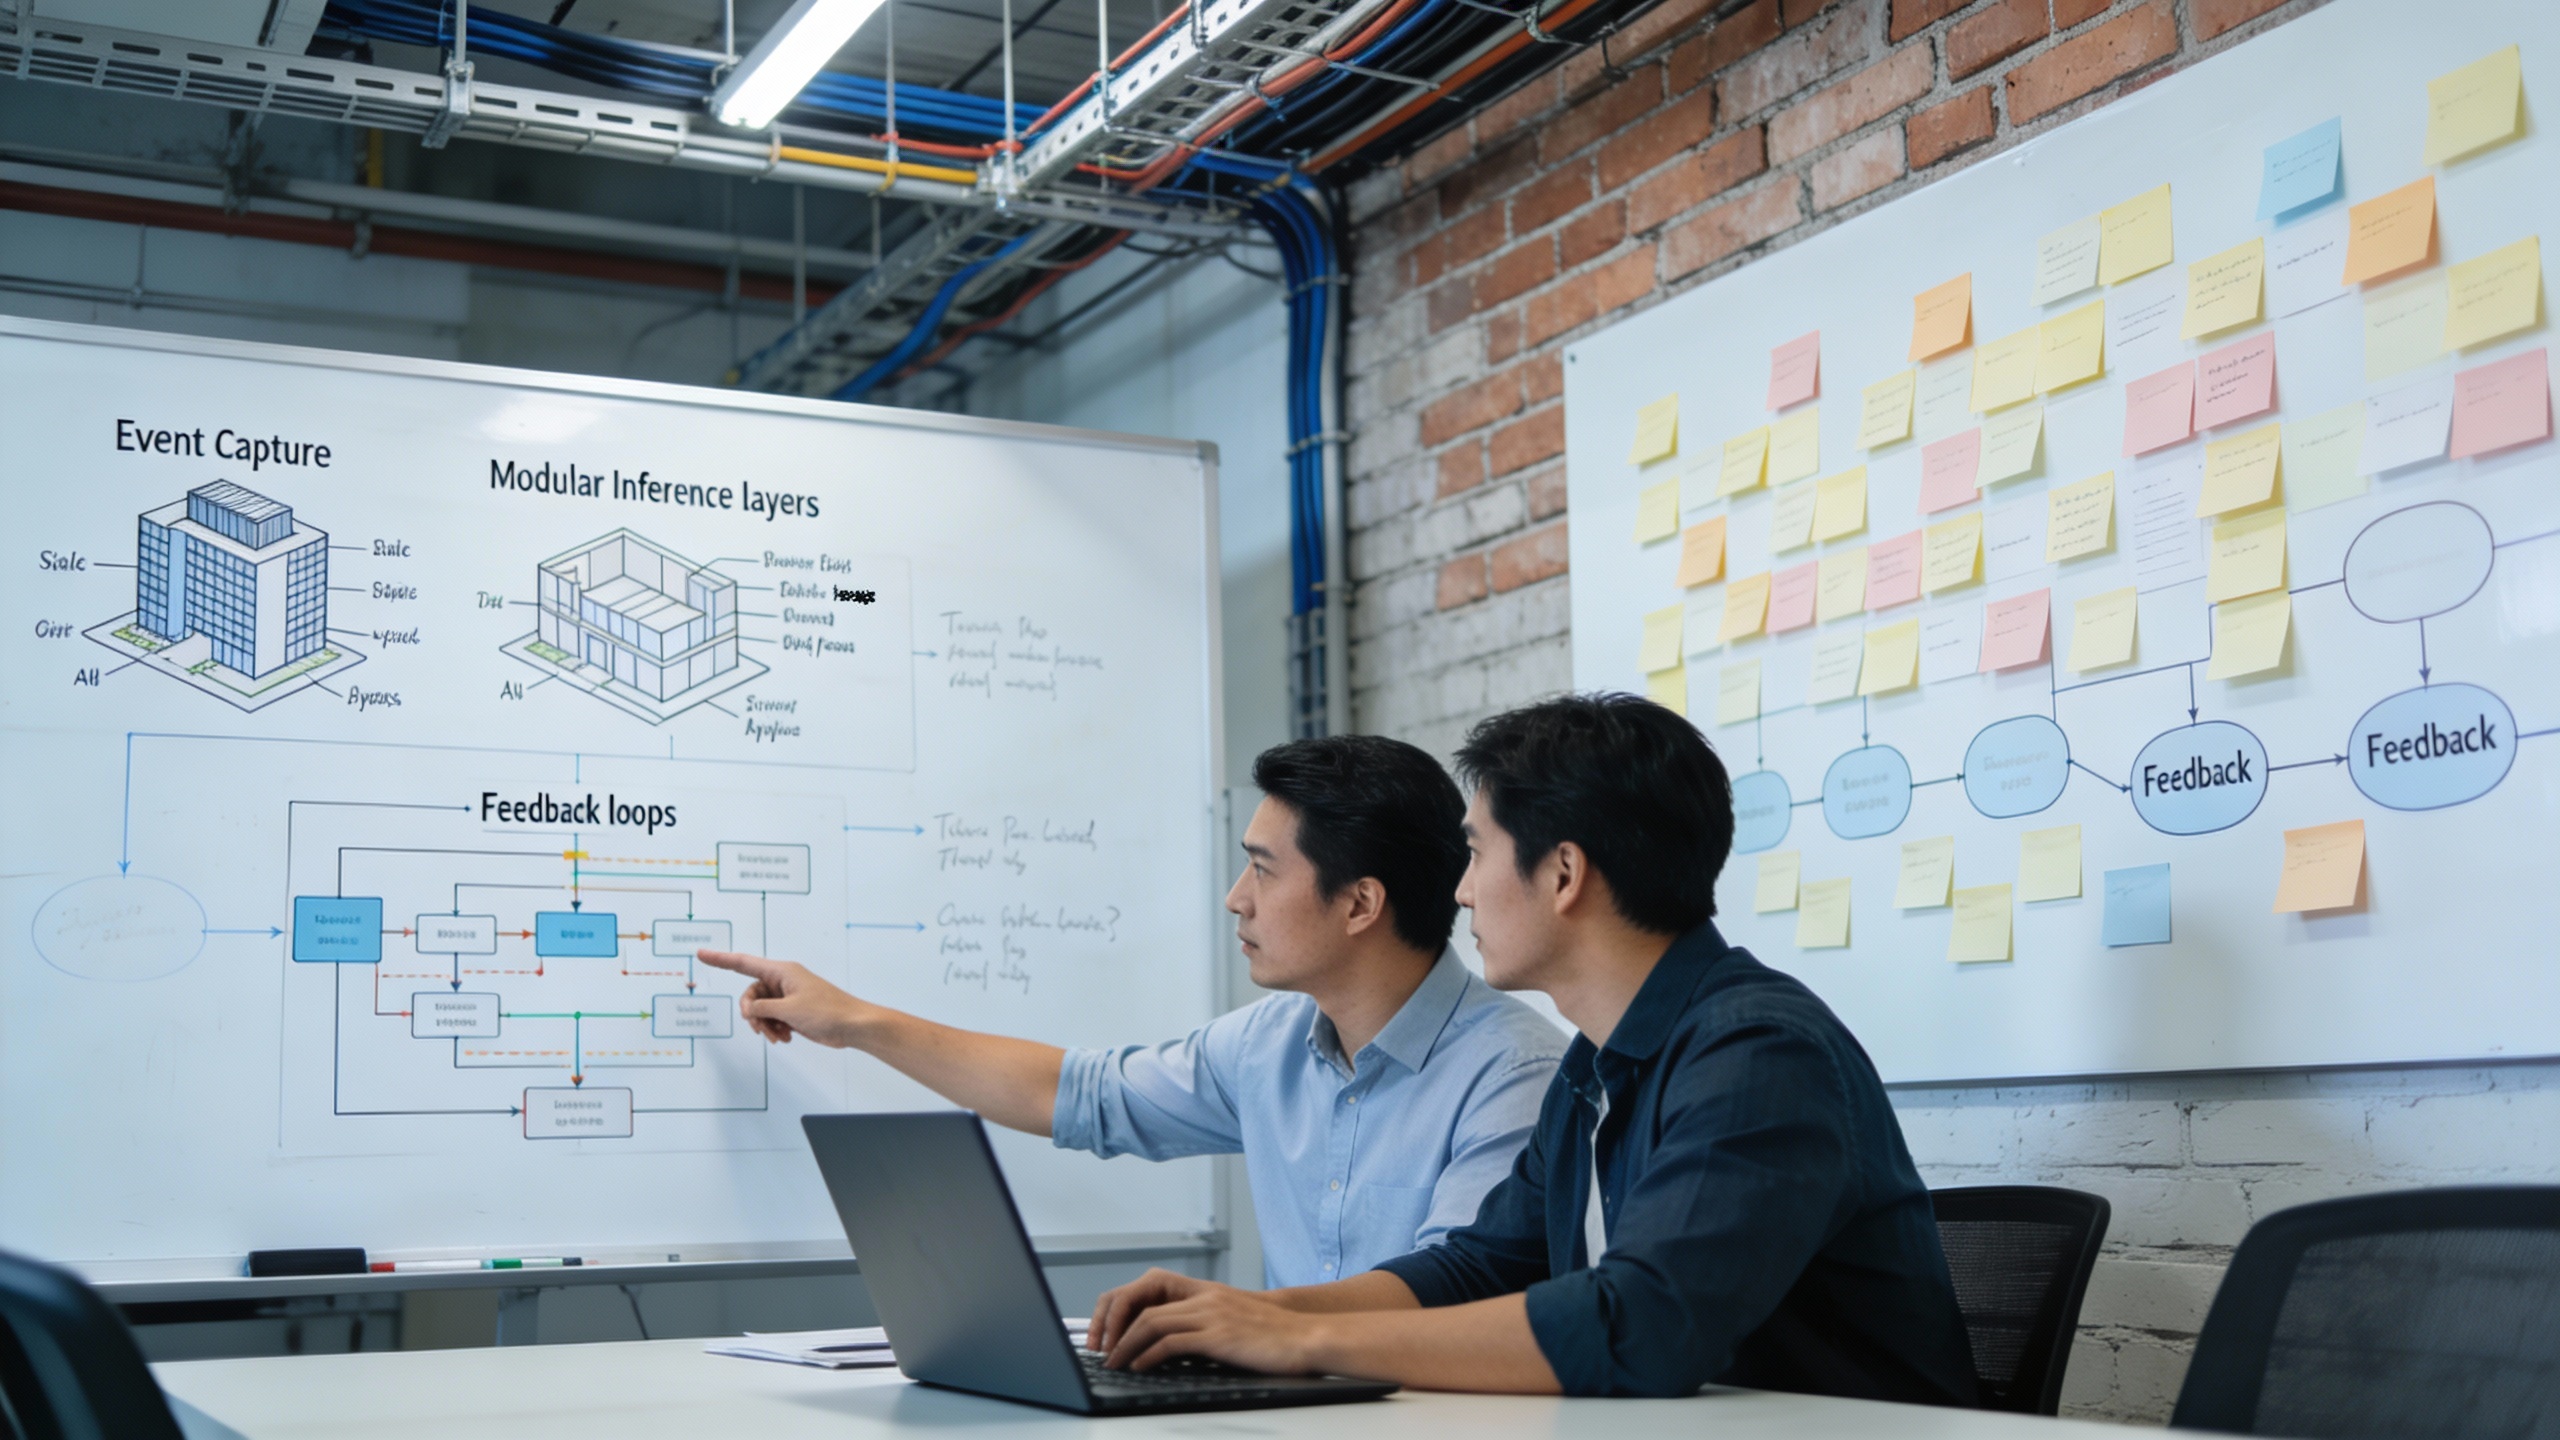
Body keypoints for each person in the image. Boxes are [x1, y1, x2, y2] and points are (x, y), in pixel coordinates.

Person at [1079, 694, 1979, 1403]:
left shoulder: (1759, 1054)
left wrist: (1298, 1339)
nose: (1460, 892)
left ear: (1562, 874)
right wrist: (1244, 1317)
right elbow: (1479, 1267)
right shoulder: (1597, 1063)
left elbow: (1639, 1325)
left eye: (1476, 853)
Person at [698, 734, 1565, 1289]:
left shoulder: (1513, 1072)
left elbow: (1457, 1287)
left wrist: (1240, 1328)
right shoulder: (1268, 1046)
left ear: (1359, 904)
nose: (1236, 900)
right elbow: (1075, 1094)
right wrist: (853, 1022)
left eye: (1262, 871)